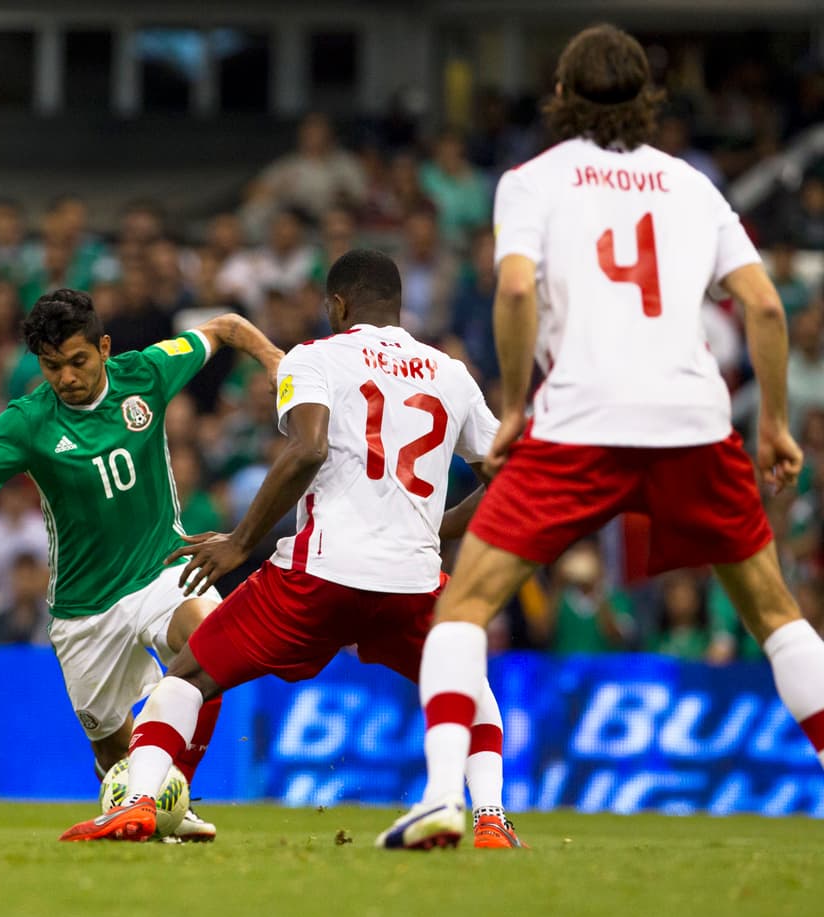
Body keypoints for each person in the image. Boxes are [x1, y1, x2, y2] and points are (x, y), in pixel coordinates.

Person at [393, 24, 824, 851]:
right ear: (647, 99)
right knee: (776, 613)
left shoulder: (531, 180)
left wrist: (514, 404)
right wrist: (770, 420)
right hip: (693, 423)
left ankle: (445, 794)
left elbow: (516, 291)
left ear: (560, 95)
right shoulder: (692, 185)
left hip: (580, 422)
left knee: (464, 606)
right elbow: (767, 306)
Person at [58, 249, 524, 849]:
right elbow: (504, 476)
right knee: (470, 688)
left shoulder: (316, 356)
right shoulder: (450, 372)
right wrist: (444, 526)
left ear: (337, 304)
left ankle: (140, 802)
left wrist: (239, 543)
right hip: (411, 577)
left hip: (320, 572)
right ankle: (490, 818)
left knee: (190, 674)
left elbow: (308, 449)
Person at [0, 288, 283, 842]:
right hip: (84, 606)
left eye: (78, 361)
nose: (67, 377)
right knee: (111, 749)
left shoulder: (146, 373)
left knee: (207, 646)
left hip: (161, 566)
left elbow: (224, 326)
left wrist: (274, 359)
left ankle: (175, 796)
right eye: (53, 367)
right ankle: (132, 796)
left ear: (103, 348)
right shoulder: (28, 421)